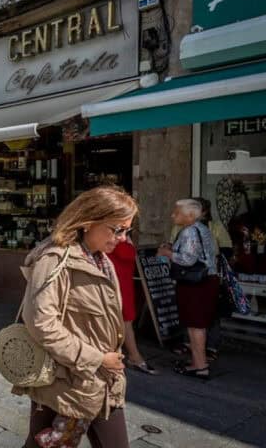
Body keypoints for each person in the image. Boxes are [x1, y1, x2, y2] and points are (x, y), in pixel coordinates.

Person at [19, 186, 137, 448]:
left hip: (102, 381)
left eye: (127, 231)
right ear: (88, 222)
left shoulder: (100, 259)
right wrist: (97, 359)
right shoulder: (54, 259)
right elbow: (41, 323)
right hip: (65, 382)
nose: (123, 239)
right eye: (117, 229)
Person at [158, 199, 218, 380]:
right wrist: (173, 248)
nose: (172, 215)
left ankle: (200, 366)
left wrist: (167, 253)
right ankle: (198, 362)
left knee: (195, 325)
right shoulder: (201, 228)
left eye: (177, 213)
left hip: (195, 282)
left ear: (190, 215)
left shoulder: (189, 231)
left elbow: (188, 259)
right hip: (205, 280)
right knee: (197, 324)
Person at [109, 236, 157, 375]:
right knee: (125, 319)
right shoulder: (115, 236)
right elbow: (127, 253)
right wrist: (131, 246)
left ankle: (131, 355)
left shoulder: (118, 235)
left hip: (122, 279)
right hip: (118, 281)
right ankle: (134, 356)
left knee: (125, 319)